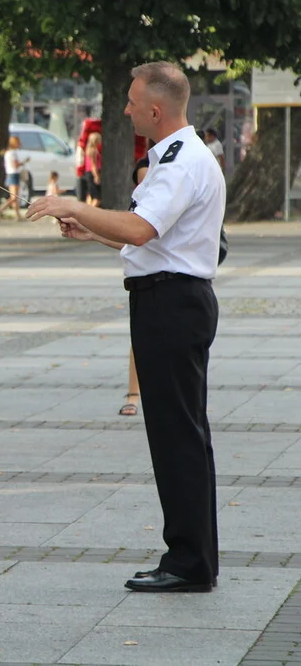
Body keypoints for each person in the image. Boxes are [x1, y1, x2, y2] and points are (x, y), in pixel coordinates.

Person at [27, 61, 224, 593]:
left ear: (155, 110)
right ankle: (193, 555)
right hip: (170, 299)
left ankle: (189, 563)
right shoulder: (174, 156)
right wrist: (92, 234)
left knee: (176, 434)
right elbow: (154, 239)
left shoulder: (181, 161)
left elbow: (141, 227)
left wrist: (75, 204)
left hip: (172, 305)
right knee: (181, 432)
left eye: (133, 102)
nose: (126, 109)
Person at [120, 157, 150, 418]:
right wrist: (89, 230)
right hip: (142, 284)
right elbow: (129, 242)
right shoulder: (138, 205)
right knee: (139, 339)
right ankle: (134, 392)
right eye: (139, 183)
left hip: (174, 286)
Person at [0, 136, 28, 218]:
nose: (20, 144)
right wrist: (24, 162)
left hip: (10, 174)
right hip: (13, 175)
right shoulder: (12, 153)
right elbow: (15, 165)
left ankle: (17, 215)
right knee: (14, 197)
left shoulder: (8, 153)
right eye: (18, 142)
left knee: (15, 197)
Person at [84, 132, 103, 207]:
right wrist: (96, 176)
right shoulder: (94, 150)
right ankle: (89, 213)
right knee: (97, 197)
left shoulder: (88, 149)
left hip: (88, 172)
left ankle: (86, 212)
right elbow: (94, 165)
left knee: (90, 194)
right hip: (93, 173)